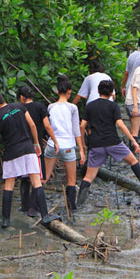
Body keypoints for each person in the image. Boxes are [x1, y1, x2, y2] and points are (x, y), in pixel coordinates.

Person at [0, 89, 56, 228]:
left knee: (9, 186)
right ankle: (45, 216)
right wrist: (36, 143)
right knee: (36, 182)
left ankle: (5, 221)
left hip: (11, 153)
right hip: (28, 149)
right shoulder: (19, 106)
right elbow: (32, 125)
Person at [77, 79, 140, 204]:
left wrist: (82, 146)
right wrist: (133, 140)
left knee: (89, 177)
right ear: (112, 93)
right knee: (133, 161)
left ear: (97, 91)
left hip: (96, 144)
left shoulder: (90, 106)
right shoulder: (113, 106)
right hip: (113, 142)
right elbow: (121, 125)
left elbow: (82, 126)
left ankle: (78, 204)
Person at [44, 75, 86, 214]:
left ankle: (35, 205)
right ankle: (71, 209)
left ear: (57, 91)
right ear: (69, 92)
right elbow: (76, 129)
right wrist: (81, 150)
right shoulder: (72, 108)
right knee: (71, 181)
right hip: (68, 146)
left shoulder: (50, 107)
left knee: (44, 178)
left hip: (52, 145)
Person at [16, 85, 59, 216]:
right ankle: (33, 208)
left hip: (21, 146)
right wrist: (55, 140)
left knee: (24, 177)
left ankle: (24, 206)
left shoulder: (18, 109)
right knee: (37, 177)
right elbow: (47, 125)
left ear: (22, 97)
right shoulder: (40, 107)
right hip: (36, 147)